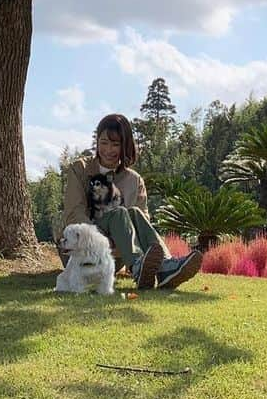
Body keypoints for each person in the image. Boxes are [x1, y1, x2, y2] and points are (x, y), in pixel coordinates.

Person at [61, 114, 202, 291]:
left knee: (134, 212)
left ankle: (165, 267)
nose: (108, 150)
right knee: (120, 213)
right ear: (97, 142)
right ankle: (138, 266)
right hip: (80, 249)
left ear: (125, 145)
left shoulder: (134, 180)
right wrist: (100, 240)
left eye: (115, 144)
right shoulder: (79, 169)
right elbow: (74, 213)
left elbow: (143, 225)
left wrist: (119, 241)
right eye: (104, 143)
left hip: (116, 254)